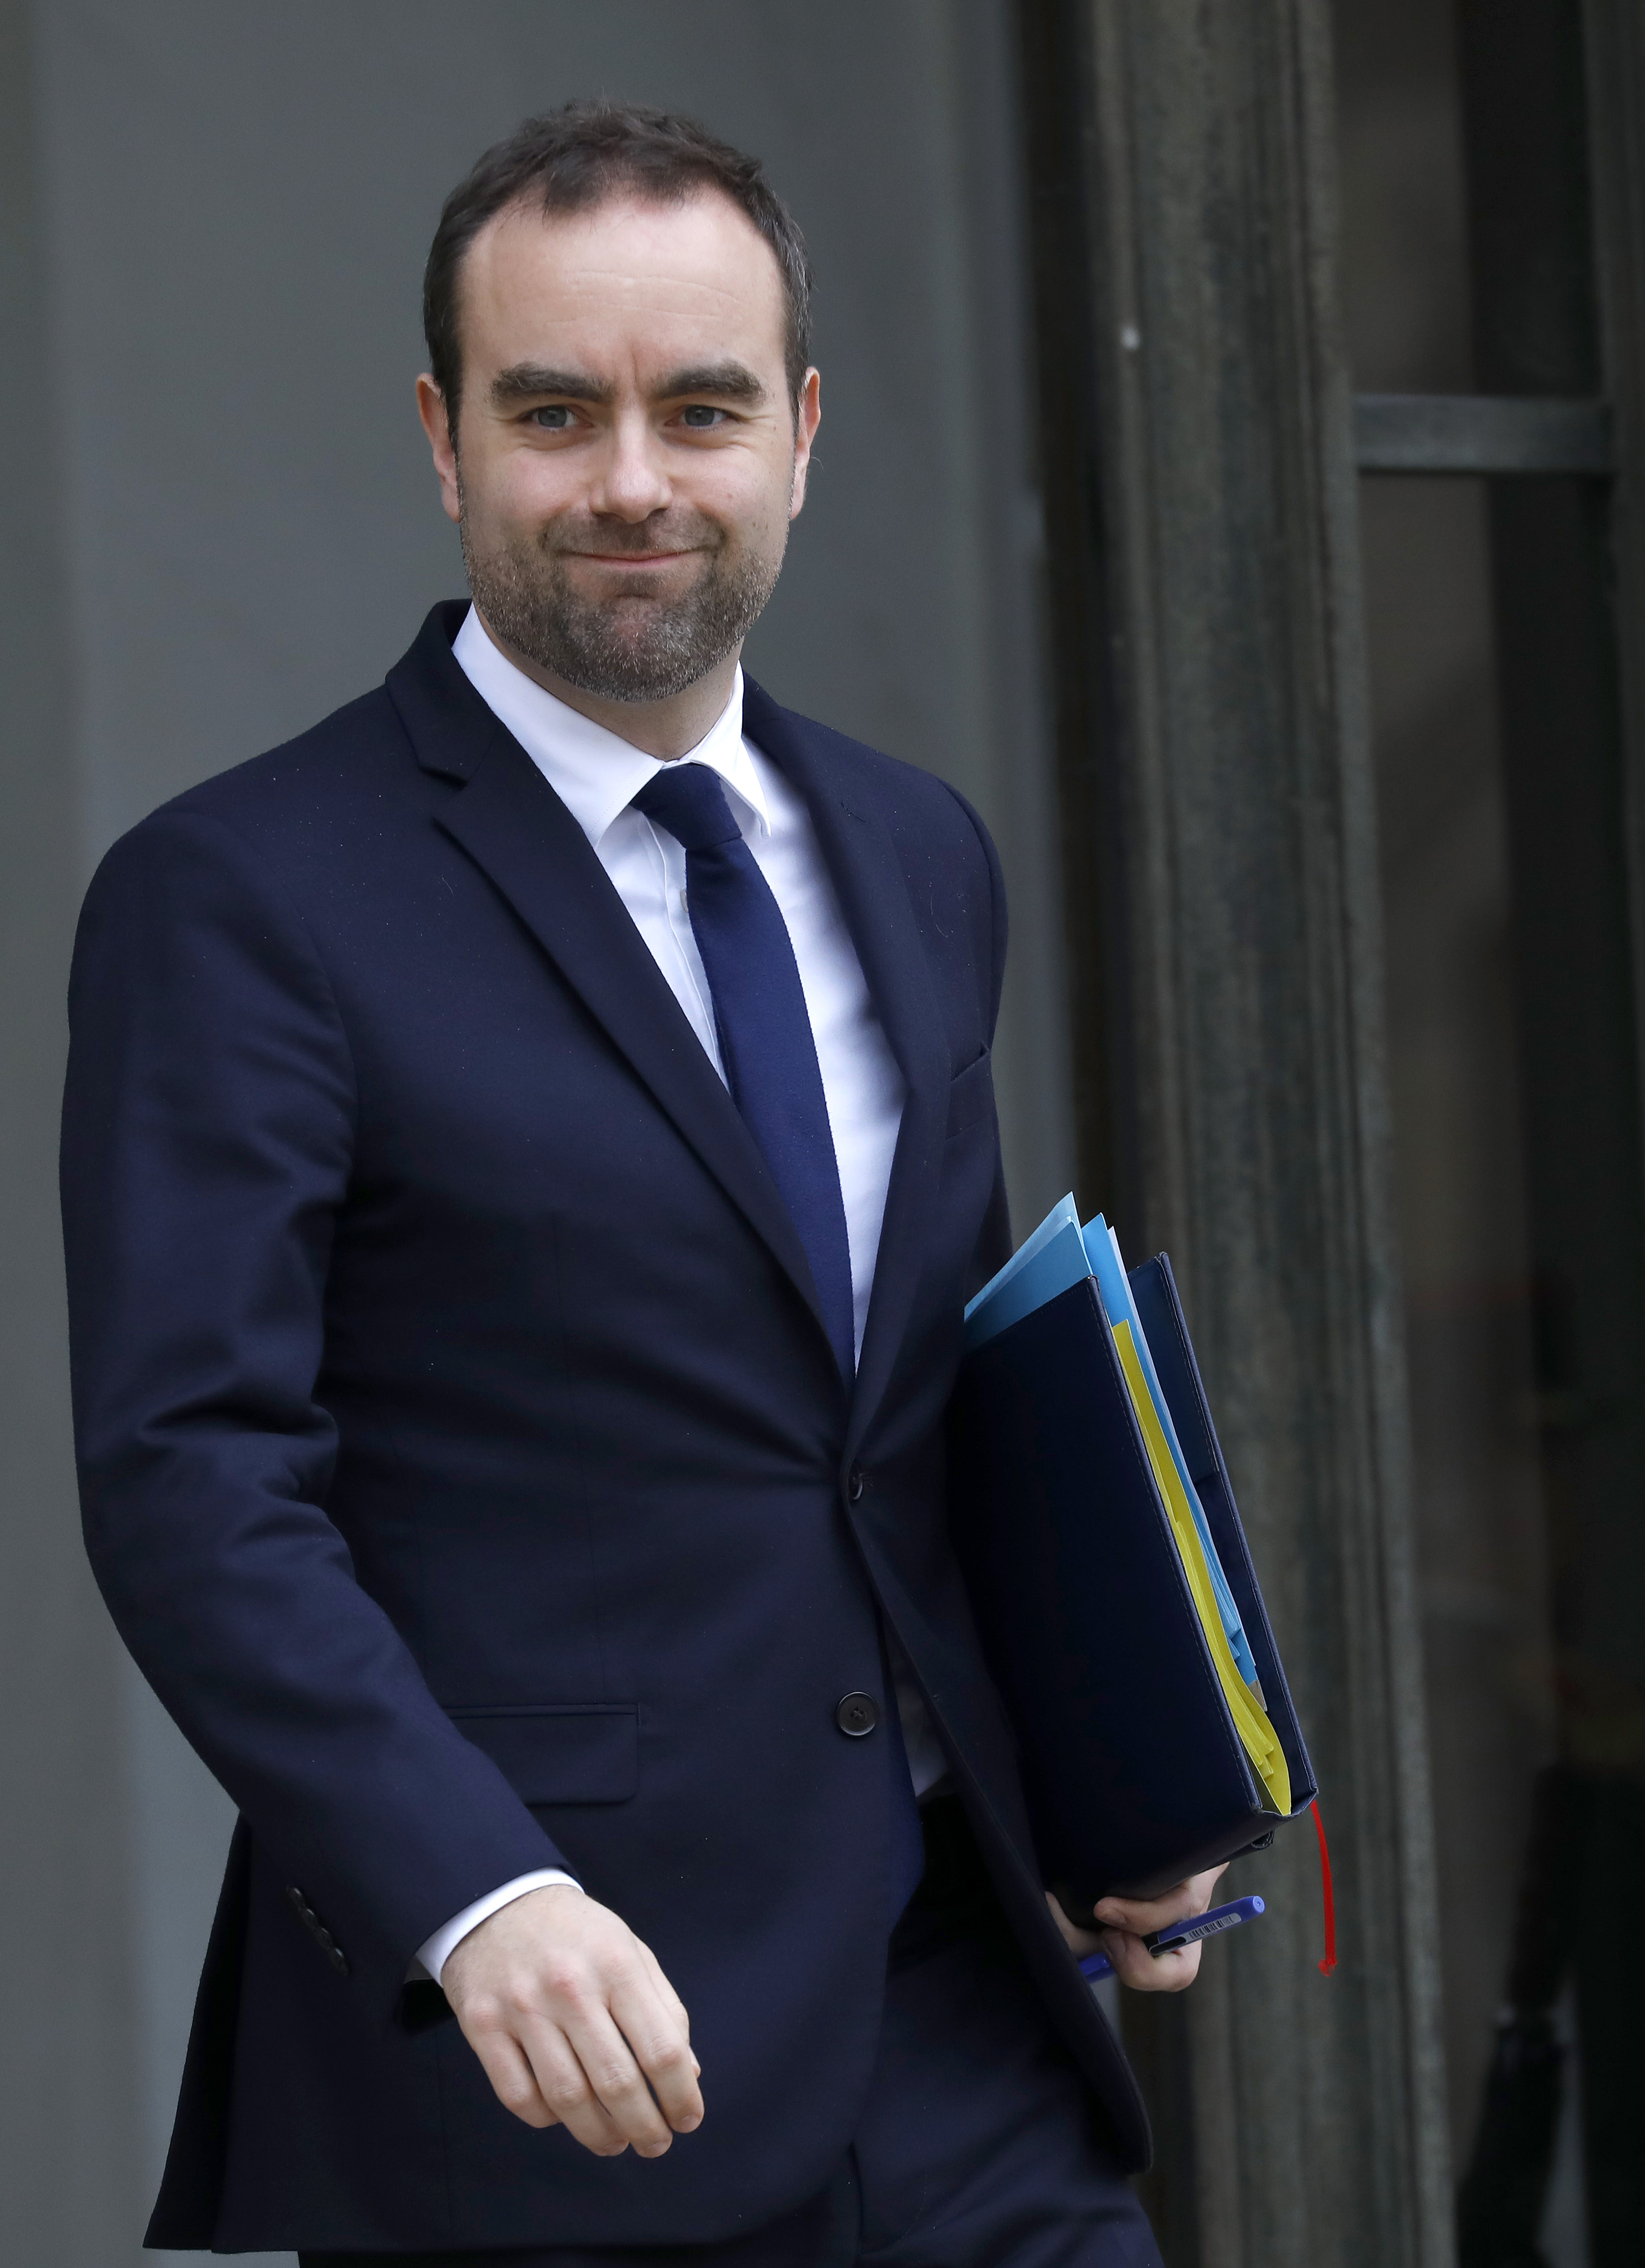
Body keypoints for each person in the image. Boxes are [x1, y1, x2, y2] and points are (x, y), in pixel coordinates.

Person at [61, 100, 1227, 2266]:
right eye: (551, 412)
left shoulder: (918, 853)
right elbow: (190, 1478)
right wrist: (471, 1892)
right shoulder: (238, 898)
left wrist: (1106, 1781)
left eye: (699, 409)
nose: (631, 482)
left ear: (800, 434)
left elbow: (918, 1421)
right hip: (553, 2072)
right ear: (444, 440)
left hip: (965, 2042)